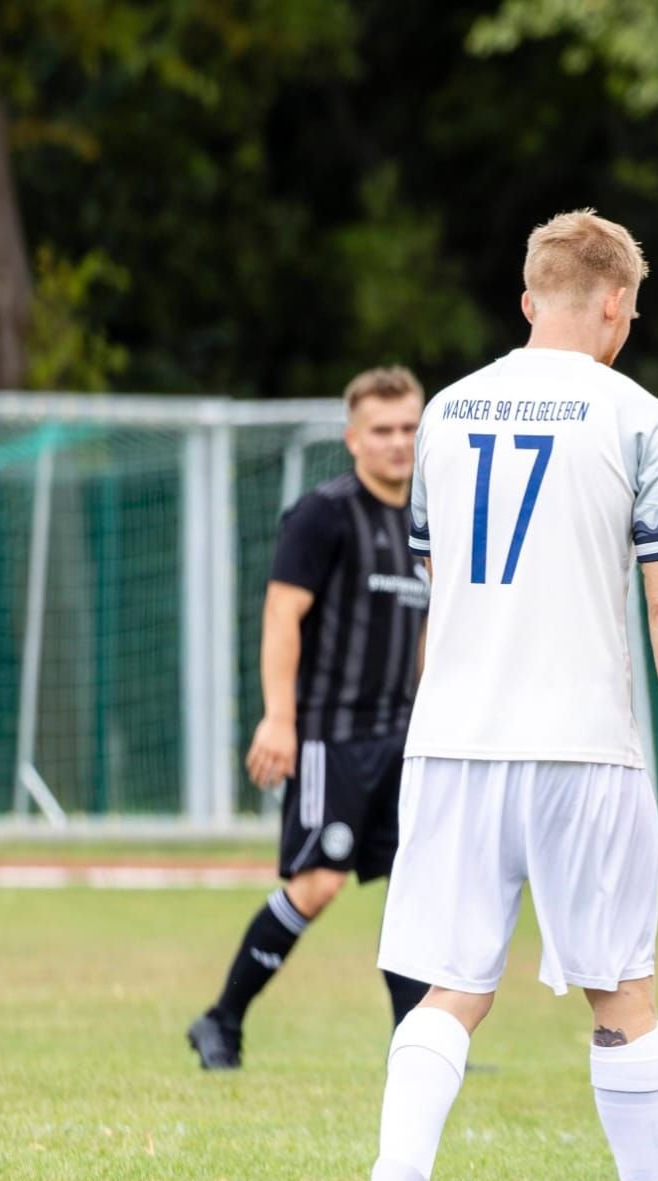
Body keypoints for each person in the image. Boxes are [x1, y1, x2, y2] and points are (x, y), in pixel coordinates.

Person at [355, 209, 658, 1181]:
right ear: (615, 304)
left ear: (529, 299)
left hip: (454, 739)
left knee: (447, 990)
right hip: (581, 747)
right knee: (622, 994)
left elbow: (441, 590)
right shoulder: (639, 416)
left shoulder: (445, 414)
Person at [186, 367, 433, 1071]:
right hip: (330, 734)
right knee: (318, 882)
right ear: (353, 438)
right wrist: (279, 719)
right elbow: (281, 615)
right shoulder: (323, 513)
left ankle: (415, 1047)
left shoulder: (425, 519)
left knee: (414, 890)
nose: (397, 443)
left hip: (403, 738)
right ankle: (221, 1020)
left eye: (409, 428)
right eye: (382, 430)